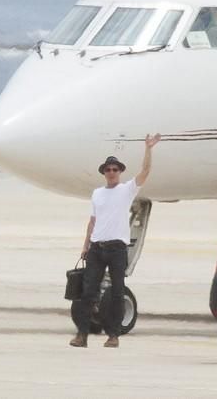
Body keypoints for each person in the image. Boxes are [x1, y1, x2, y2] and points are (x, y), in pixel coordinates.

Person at [70, 133, 162, 348]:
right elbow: (92, 221)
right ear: (104, 173)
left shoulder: (126, 190)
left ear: (120, 172)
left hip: (117, 248)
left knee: (117, 292)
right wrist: (85, 245)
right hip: (96, 247)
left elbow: (145, 171)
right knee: (88, 292)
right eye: (108, 170)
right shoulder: (97, 194)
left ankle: (113, 335)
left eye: (115, 169)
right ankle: (82, 334)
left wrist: (148, 149)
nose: (111, 173)